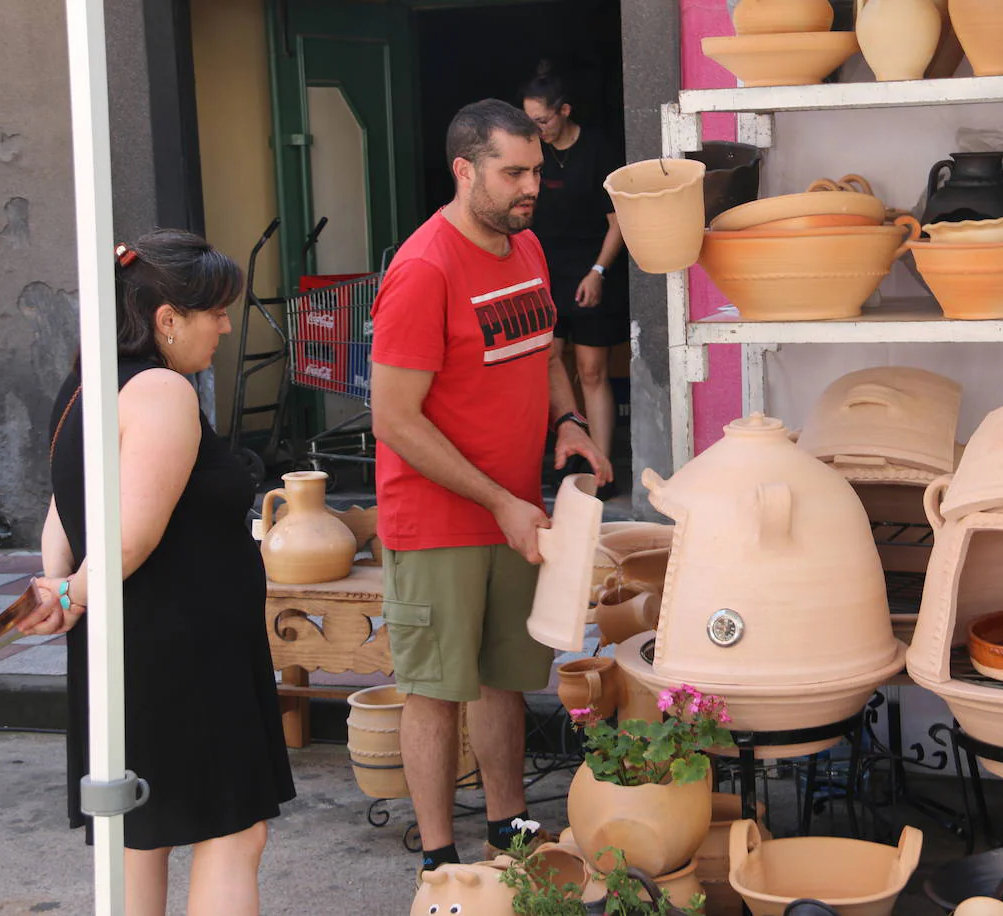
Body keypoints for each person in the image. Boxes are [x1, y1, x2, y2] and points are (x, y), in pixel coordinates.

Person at [19, 231, 296, 916]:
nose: (227, 326)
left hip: (129, 643)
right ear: (167, 320)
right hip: (186, 647)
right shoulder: (161, 391)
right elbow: (129, 539)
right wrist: (69, 590)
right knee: (232, 834)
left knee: (136, 837)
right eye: (215, 312)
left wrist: (60, 585)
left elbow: (64, 504)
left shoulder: (83, 383)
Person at [369, 98, 612, 874]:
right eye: (513, 172)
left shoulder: (528, 247)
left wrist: (569, 421)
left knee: (506, 679)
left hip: (517, 510)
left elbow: (540, 352)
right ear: (465, 170)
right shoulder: (422, 269)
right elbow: (394, 418)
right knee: (436, 690)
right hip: (441, 519)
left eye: (537, 170)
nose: (530, 186)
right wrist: (499, 500)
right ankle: (440, 859)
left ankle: (508, 829)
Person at [521, 65, 628, 498]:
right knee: (545, 366)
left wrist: (598, 272)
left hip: (590, 272)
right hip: (542, 272)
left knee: (591, 371)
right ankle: (558, 458)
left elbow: (618, 222)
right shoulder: (529, 153)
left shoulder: (598, 148)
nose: (535, 130)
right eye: (527, 121)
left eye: (542, 121)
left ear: (564, 111)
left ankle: (602, 469)